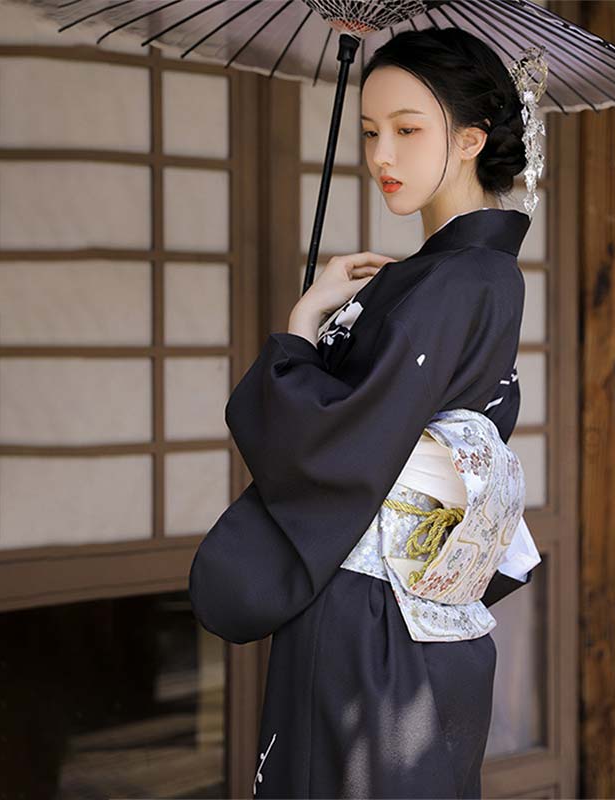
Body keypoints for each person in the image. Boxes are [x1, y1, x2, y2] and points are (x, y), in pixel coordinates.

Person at [189, 26, 542, 800]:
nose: (382, 155)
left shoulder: (460, 280)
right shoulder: (450, 276)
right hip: (404, 616)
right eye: (370, 133)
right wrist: (322, 315)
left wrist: (298, 334)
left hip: (373, 616)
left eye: (409, 131)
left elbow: (342, 438)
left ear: (471, 140)